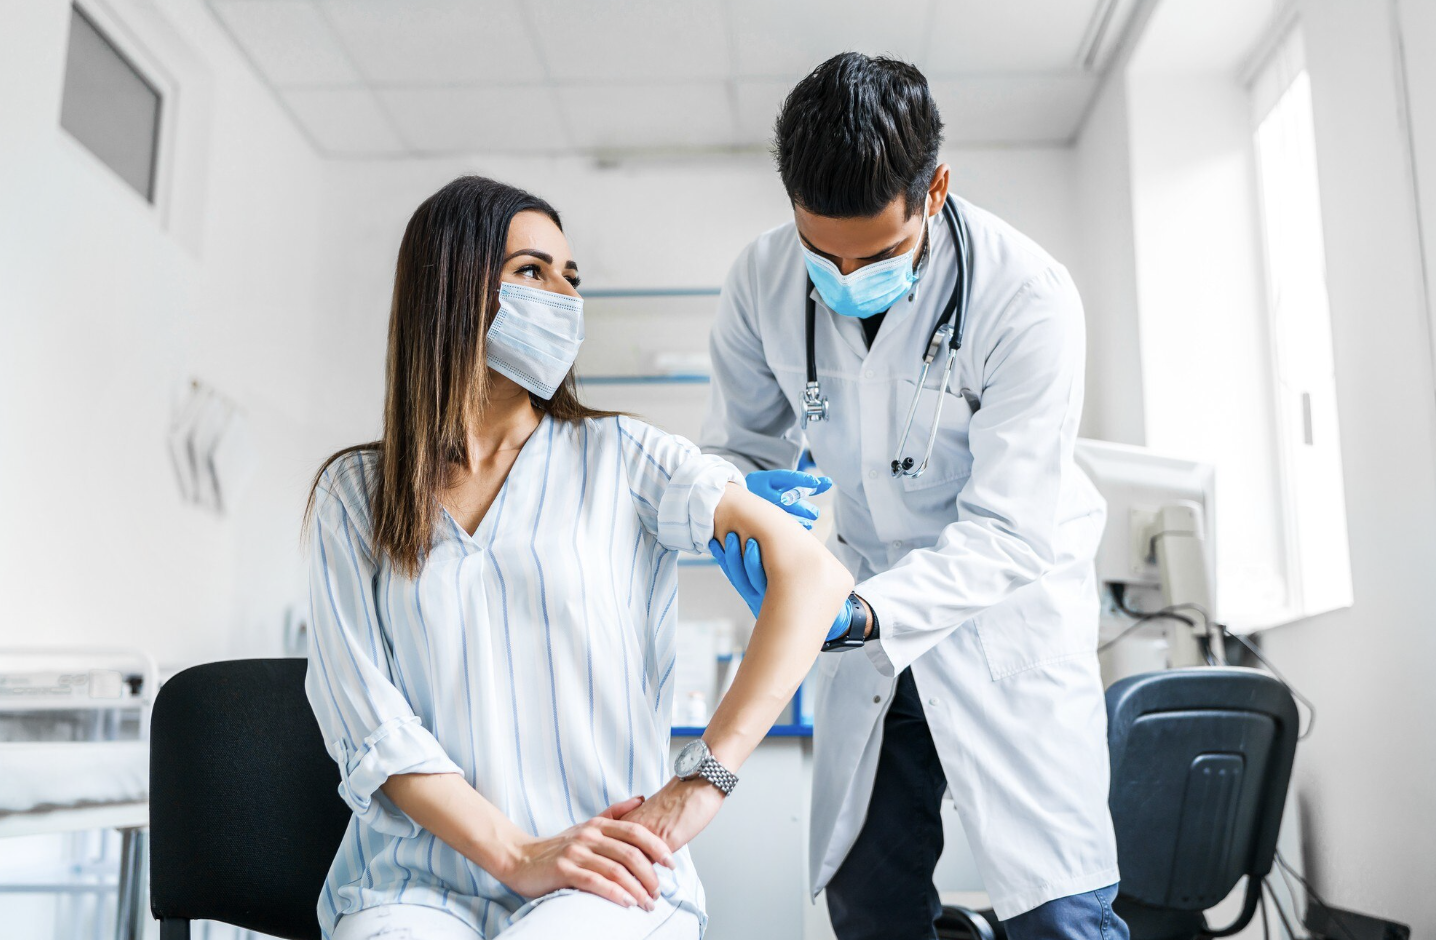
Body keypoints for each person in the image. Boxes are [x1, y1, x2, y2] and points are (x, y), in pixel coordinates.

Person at [303, 176, 855, 940]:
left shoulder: (625, 456)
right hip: (412, 883)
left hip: (610, 873)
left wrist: (704, 781)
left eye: (571, 276)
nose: (564, 296)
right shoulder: (356, 495)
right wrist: (518, 854)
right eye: (532, 271)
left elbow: (813, 575)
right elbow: (372, 726)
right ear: (449, 286)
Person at [701, 54, 1128, 940]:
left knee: (1059, 913)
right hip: (865, 622)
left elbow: (1009, 530)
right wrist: (739, 507)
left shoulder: (1026, 296)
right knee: (869, 904)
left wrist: (860, 612)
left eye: (877, 254)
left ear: (934, 190)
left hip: (1003, 619)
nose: (845, 276)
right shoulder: (760, 280)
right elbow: (736, 450)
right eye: (823, 254)